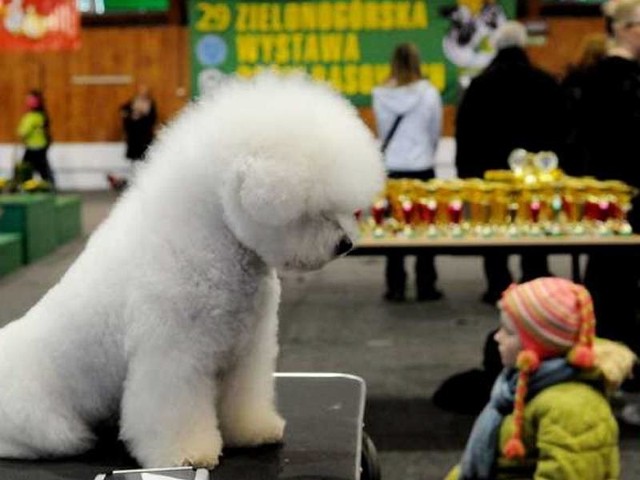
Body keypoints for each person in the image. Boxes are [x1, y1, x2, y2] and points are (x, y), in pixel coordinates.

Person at [445, 277, 636, 480]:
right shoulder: (519, 383)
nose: (497, 337)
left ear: (537, 346)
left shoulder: (571, 407)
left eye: (508, 332)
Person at [455, 21, 569, 304]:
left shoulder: (479, 85)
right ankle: (536, 276)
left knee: (495, 226)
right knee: (534, 219)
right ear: (523, 45)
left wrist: (466, 173)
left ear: (495, 46)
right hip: (536, 173)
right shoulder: (544, 81)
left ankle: (498, 283)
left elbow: (466, 131)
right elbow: (563, 128)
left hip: (490, 172)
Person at [571, 0, 640, 421]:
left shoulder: (586, 80)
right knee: (619, 296)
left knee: (605, 293)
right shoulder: (624, 83)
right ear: (626, 28)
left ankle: (607, 378)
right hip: (625, 207)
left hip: (601, 210)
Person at [372, 43, 443, 302]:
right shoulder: (430, 94)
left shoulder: (379, 94)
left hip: (393, 168)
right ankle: (426, 284)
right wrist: (426, 153)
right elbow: (435, 131)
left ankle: (395, 285)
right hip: (422, 167)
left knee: (394, 230)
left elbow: (382, 130)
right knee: (424, 228)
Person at [108, 85, 157, 191]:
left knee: (145, 160)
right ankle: (135, 182)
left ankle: (144, 182)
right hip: (134, 138)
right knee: (134, 162)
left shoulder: (150, 104)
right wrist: (132, 115)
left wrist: (140, 114)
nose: (143, 94)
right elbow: (123, 110)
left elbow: (152, 119)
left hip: (144, 137)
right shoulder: (133, 102)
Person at [16, 90, 54, 187]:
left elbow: (23, 132)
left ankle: (22, 187)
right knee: (43, 169)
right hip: (41, 146)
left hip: (33, 147)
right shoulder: (42, 116)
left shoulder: (31, 117)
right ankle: (49, 186)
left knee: (25, 170)